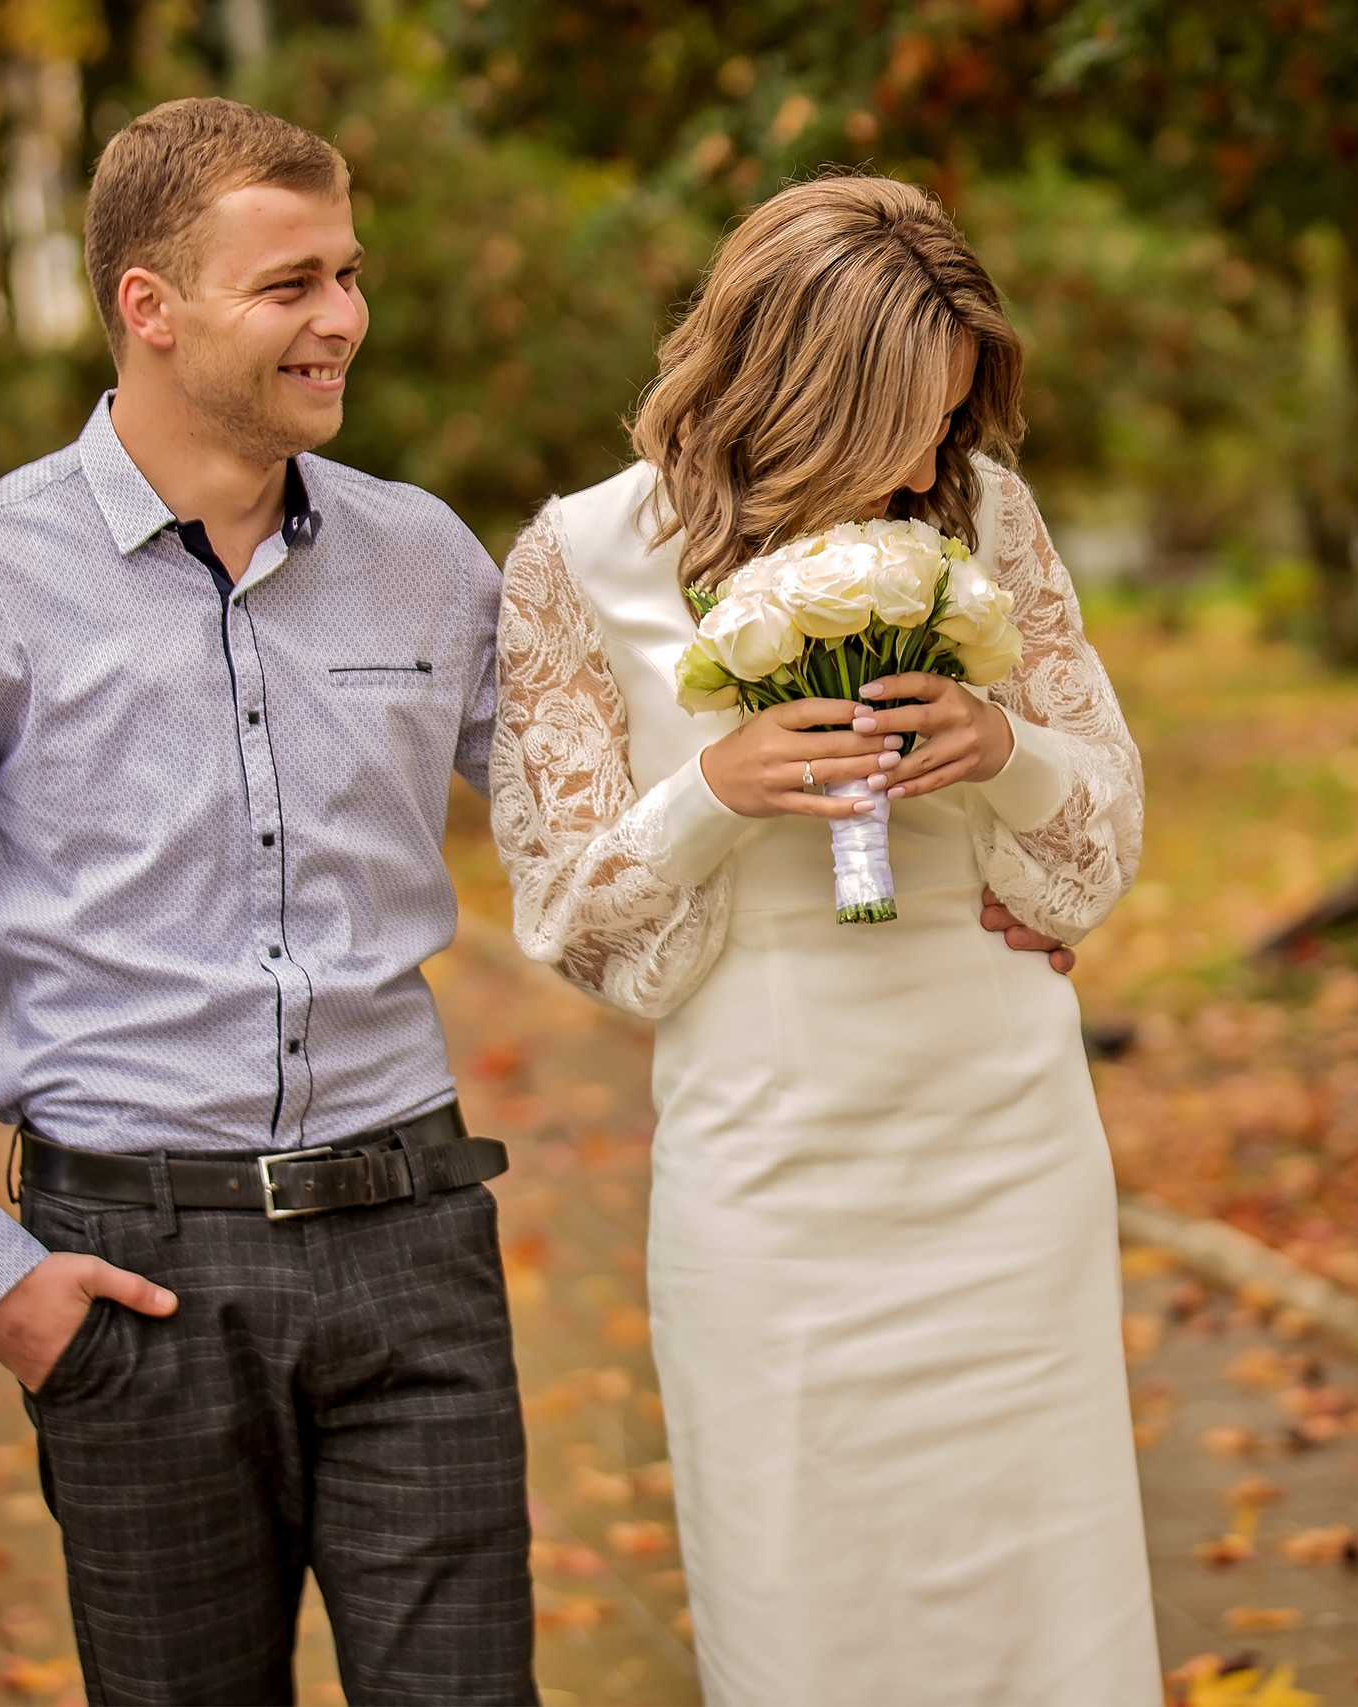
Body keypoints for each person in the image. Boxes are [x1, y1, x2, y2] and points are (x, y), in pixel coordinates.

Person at [0, 98, 534, 1706]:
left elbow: (590, 835)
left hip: (414, 1243)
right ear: (149, 306)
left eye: (349, 272)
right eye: (292, 285)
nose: (346, 319)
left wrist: (893, 845)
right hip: (134, 1282)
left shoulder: (429, 560)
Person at [491, 175, 1160, 1705]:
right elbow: (588, 934)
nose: (940, 454)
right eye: (913, 418)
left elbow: (1101, 841)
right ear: (805, 392)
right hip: (771, 1183)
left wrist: (1005, 749)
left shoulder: (986, 513)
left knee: (1049, 1621)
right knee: (805, 1627)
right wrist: (712, 794)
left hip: (1006, 1158)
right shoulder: (576, 563)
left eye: (953, 416)